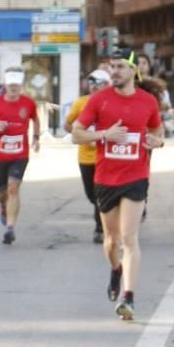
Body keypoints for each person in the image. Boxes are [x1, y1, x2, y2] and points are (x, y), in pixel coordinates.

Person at [72, 48, 164, 321]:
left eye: (121, 66)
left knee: (128, 238)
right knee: (111, 241)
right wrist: (104, 135)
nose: (114, 71)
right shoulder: (99, 100)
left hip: (136, 177)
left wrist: (156, 141)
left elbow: (157, 131)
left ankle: (129, 297)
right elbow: (76, 134)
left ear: (134, 71)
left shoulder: (148, 101)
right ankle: (115, 269)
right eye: (112, 66)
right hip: (105, 178)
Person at [0, 66, 40, 245]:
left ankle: (10, 228)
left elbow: (35, 119)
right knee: (2, 192)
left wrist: (36, 137)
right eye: (11, 86)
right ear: (6, 85)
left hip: (20, 154)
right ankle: (3, 207)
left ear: (21, 86)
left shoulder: (28, 103)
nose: (14, 89)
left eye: (17, 86)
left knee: (13, 188)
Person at [65, 68, 111, 244]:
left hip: (104, 156)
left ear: (106, 85)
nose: (93, 87)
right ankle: (103, 220)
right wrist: (81, 134)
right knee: (92, 195)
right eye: (91, 83)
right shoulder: (81, 103)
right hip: (85, 157)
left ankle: (100, 229)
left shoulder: (111, 103)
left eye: (98, 83)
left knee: (100, 194)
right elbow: (68, 125)